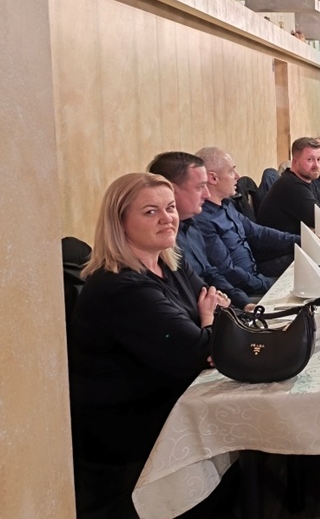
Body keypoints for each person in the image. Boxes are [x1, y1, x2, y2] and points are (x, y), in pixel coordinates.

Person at [70, 173, 228, 517]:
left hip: (173, 399)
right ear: (119, 223)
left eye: (170, 208)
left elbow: (219, 311)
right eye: (150, 212)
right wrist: (207, 320)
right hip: (132, 434)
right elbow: (201, 351)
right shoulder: (119, 288)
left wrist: (211, 323)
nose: (167, 218)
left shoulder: (169, 263)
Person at [147, 152, 251, 310]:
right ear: (171, 191)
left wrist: (244, 304)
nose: (207, 194)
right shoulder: (161, 241)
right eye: (200, 187)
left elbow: (210, 275)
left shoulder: (193, 226)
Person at [192, 147, 300, 293]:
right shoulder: (203, 220)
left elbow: (259, 233)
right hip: (246, 291)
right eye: (231, 171)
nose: (237, 176)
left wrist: (301, 241)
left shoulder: (226, 205)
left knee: (307, 260)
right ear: (213, 178)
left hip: (256, 275)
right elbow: (229, 272)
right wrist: (269, 285)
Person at [256, 137, 320, 236]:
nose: (316, 165)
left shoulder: (308, 180)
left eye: (319, 159)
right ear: (294, 162)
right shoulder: (291, 185)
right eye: (310, 160)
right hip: (279, 245)